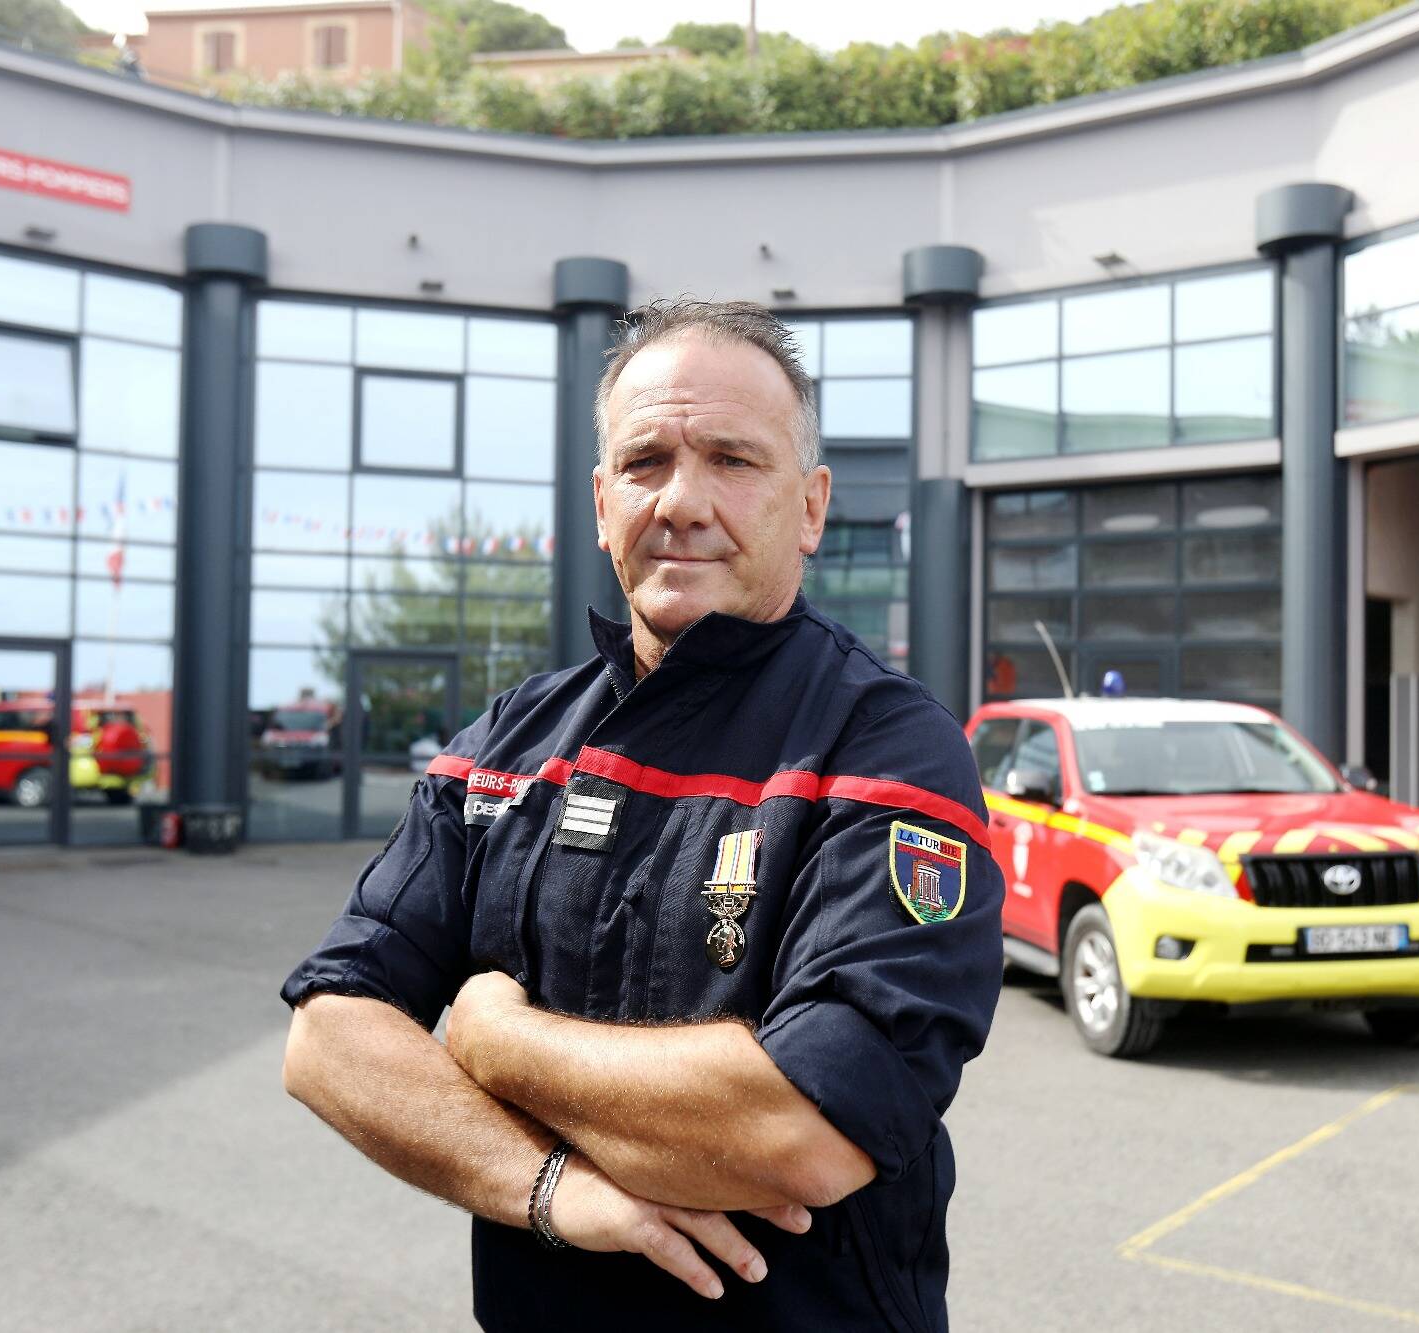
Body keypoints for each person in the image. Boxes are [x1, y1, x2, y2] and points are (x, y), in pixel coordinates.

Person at [280, 298, 1004, 1332]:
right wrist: (555, 1191)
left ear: (808, 507)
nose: (683, 500)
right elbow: (328, 1037)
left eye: (732, 460)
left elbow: (804, 1125)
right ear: (600, 502)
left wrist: (497, 1040)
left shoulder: (883, 747)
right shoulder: (507, 746)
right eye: (645, 461)